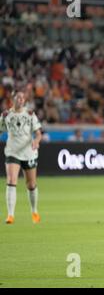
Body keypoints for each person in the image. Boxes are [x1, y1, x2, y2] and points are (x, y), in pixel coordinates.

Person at [0, 90, 42, 224]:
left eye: (23, 98)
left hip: (28, 152)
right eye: (18, 98)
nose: (21, 100)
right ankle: (10, 215)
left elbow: (38, 133)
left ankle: (34, 211)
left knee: (31, 184)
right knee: (11, 180)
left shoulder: (30, 114)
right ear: (13, 99)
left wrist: (36, 141)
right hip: (12, 151)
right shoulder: (6, 115)